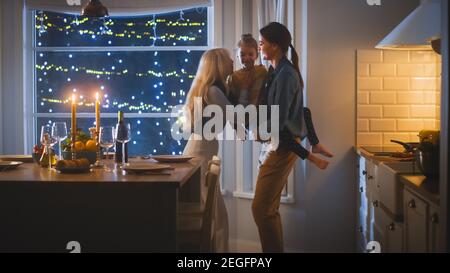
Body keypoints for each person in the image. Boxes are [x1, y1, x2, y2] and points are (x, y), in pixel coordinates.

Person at [252, 22, 331, 253]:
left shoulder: (286, 75)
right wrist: (315, 143)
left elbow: (280, 123)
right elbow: (302, 111)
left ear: (274, 45)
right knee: (268, 209)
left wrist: (309, 153)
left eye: (262, 42)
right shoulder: (276, 71)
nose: (259, 45)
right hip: (278, 143)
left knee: (261, 209)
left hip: (283, 146)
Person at [228, 34, 333, 169]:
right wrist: (238, 129)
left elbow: (272, 88)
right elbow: (230, 107)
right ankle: (310, 157)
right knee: (280, 131)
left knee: (304, 111)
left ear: (256, 54)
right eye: (242, 54)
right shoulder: (234, 78)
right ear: (237, 55)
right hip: (251, 119)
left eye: (250, 54)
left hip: (264, 113)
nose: (246, 58)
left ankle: (315, 144)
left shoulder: (262, 71)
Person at [182, 48, 235, 253]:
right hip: (202, 150)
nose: (233, 61)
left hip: (200, 147)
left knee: (212, 211)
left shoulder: (207, 89)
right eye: (228, 58)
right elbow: (237, 116)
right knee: (216, 215)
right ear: (220, 64)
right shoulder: (213, 91)